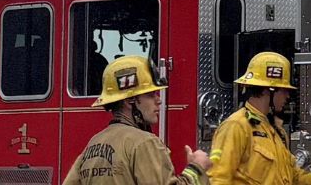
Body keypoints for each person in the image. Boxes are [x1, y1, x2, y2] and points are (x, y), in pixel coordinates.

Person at [205, 52, 311, 185]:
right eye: (284, 91)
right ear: (269, 91)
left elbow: (296, 178)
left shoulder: (276, 131)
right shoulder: (236, 126)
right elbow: (218, 178)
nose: (288, 96)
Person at [65, 56, 213, 185]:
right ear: (130, 99)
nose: (158, 100)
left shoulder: (93, 144)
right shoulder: (144, 143)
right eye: (150, 94)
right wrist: (197, 168)